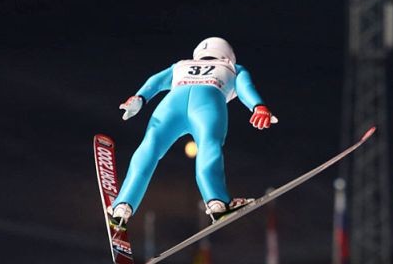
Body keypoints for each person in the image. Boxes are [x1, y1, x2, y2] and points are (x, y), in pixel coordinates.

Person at [109, 37, 275, 228]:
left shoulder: (181, 65)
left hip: (171, 104)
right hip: (208, 101)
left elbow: (155, 82)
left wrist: (140, 97)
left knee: (150, 146)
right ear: (229, 55)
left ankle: (122, 205)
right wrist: (258, 106)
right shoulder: (233, 67)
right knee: (208, 145)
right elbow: (245, 87)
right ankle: (217, 202)